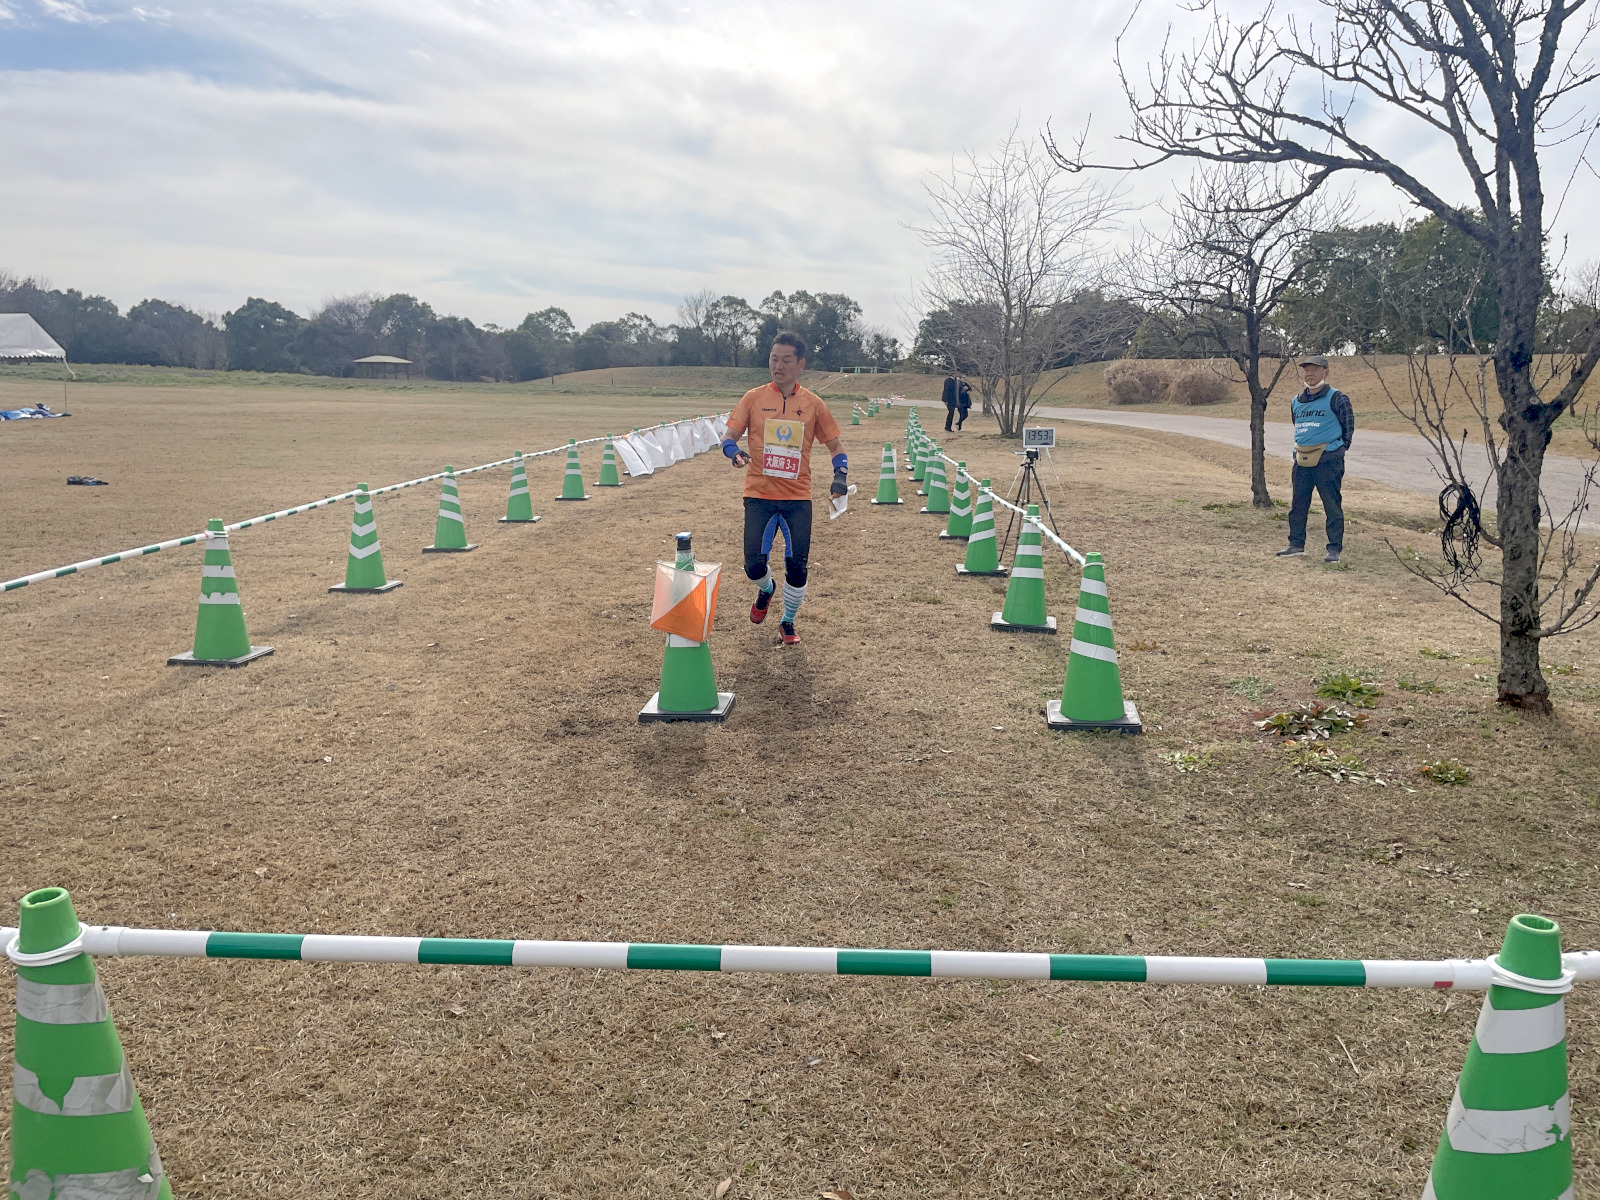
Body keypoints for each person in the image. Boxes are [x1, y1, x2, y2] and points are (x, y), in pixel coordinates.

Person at [722, 331, 847, 645]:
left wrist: (840, 476)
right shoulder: (753, 398)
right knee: (753, 566)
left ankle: (787, 621)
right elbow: (728, 438)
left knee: (797, 567)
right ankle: (766, 590)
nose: (778, 366)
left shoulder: (813, 404)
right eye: (773, 359)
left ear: (800, 364)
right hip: (758, 495)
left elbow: (836, 446)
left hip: (797, 498)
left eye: (786, 360)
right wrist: (734, 453)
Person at [1277, 354, 1354, 563]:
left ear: (1325, 372)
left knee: (1332, 505)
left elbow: (1348, 428)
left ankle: (1334, 549)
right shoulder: (1296, 401)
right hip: (1302, 460)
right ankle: (1296, 545)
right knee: (1298, 504)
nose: (1309, 374)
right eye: (1307, 370)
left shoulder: (1338, 398)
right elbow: (1297, 425)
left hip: (1328, 461)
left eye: (1315, 369)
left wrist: (1337, 450)